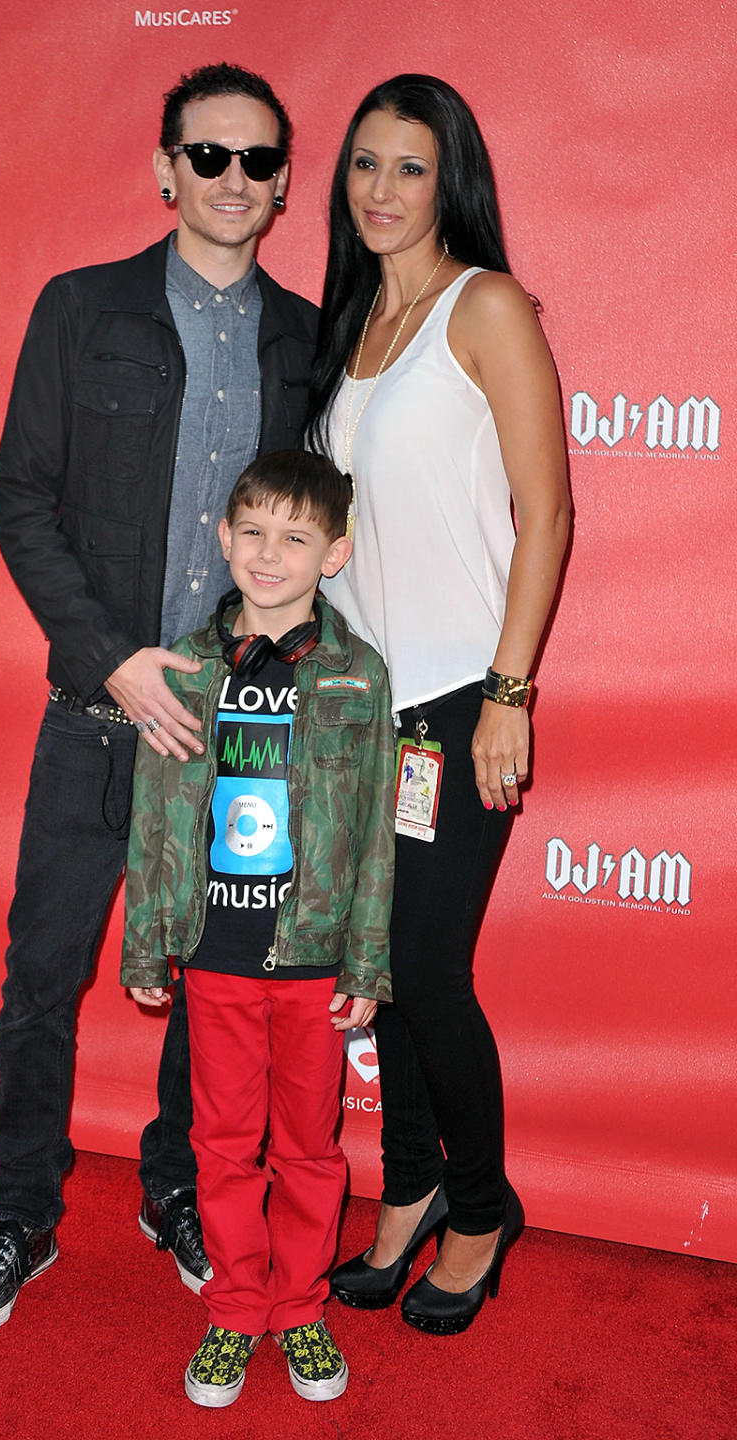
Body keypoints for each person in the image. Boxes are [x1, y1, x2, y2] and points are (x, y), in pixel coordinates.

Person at [0, 63, 318, 1345]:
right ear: (165, 169)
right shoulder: (79, 309)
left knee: (209, 988)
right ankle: (23, 1217)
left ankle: (175, 1191)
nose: (232, 182)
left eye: (258, 163)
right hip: (99, 715)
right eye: (208, 157)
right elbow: (21, 505)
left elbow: (317, 537)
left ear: (279, 186)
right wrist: (115, 661)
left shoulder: (306, 339)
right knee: (43, 975)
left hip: (240, 734)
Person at [306, 74, 570, 1335]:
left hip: (461, 696)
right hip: (361, 712)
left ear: (449, 177)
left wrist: (511, 693)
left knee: (423, 963)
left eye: (408, 167)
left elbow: (547, 512)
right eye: (363, 164)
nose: (380, 190)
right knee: (383, 968)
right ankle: (405, 1190)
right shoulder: (352, 320)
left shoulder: (488, 307)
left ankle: (478, 1208)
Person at [122, 450, 395, 1407]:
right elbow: (156, 817)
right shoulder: (187, 666)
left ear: (335, 552)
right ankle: (237, 1309)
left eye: (295, 537)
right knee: (225, 1145)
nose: (269, 554)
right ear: (222, 537)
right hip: (218, 957)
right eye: (252, 532)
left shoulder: (360, 677)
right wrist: (149, 942)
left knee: (312, 1150)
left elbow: (371, 837)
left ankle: (301, 1307)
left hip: (316, 961)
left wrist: (365, 957)